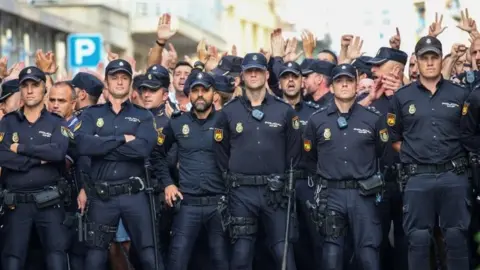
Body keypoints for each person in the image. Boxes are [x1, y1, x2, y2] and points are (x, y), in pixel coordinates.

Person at [388, 36, 470, 270]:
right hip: (418, 177)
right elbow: (394, 138)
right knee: (418, 239)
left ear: (441, 59)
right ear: (417, 61)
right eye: (425, 58)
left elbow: (469, 133)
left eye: (434, 57)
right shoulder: (402, 97)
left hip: (454, 175)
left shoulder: (459, 94)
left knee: (455, 237)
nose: (430, 62)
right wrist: (415, 154)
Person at [214, 52, 301, 270]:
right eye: (249, 71)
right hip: (241, 192)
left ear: (266, 74)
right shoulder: (228, 112)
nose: (253, 75)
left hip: (276, 192)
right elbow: (220, 151)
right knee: (241, 255)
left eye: (258, 71)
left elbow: (294, 152)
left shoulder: (285, 111)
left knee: (283, 253)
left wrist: (283, 182)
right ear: (242, 76)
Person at [74, 59, 161, 270]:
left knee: (150, 256)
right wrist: (123, 138)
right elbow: (83, 145)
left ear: (130, 82)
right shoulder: (91, 114)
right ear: (106, 82)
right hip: (103, 197)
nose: (120, 82)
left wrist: (101, 146)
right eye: (114, 78)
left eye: (124, 78)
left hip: (134, 195)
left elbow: (142, 149)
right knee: (94, 259)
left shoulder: (143, 115)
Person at [304, 64, 386, 270]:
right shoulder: (317, 120)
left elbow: (382, 152)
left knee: (369, 254)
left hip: (363, 194)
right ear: (331, 87)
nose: (344, 85)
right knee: (332, 255)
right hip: (331, 194)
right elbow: (310, 157)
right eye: (339, 81)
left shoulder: (373, 119)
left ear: (356, 85)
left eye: (349, 81)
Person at [153, 71, 229, 270]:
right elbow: (156, 154)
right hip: (188, 205)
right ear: (189, 95)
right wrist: (168, 184)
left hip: (219, 205)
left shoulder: (226, 121)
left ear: (215, 94)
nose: (200, 94)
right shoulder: (178, 122)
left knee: (222, 263)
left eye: (205, 90)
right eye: (195, 90)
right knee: (177, 262)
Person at [0, 66, 71, 270]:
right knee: (12, 260)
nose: (30, 90)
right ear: (21, 90)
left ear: (44, 89)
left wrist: (20, 149)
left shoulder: (56, 122)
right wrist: (37, 159)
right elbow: (2, 156)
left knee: (56, 259)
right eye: (25, 86)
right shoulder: (8, 122)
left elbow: (57, 153)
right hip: (16, 204)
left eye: (35, 85)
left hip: (49, 203)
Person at [278, 61, 322, 270]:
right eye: (286, 77)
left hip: (308, 183)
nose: (291, 81)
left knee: (315, 238)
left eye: (295, 76)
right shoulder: (272, 111)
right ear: (279, 83)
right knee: (283, 241)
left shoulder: (315, 113)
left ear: (302, 81)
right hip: (280, 183)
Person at [47, 81, 87, 270]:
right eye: (52, 100)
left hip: (75, 203)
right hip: (46, 203)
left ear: (73, 103)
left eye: (61, 101)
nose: (55, 105)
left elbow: (62, 161)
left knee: (77, 258)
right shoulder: (43, 125)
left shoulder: (81, 128)